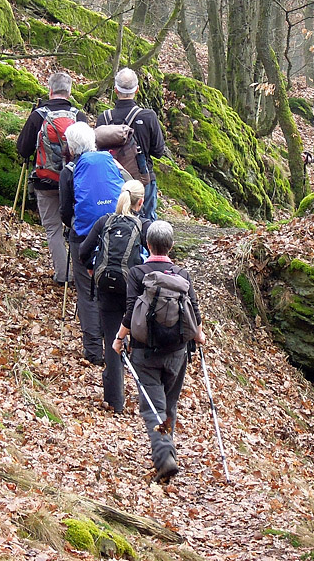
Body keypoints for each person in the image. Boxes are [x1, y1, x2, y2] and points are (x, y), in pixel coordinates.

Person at [112, 220, 205, 483]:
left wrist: (119, 339)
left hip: (145, 352)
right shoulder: (182, 276)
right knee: (169, 404)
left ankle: (164, 456)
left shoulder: (137, 273)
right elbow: (194, 313)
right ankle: (168, 450)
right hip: (177, 352)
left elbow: (131, 311)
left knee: (153, 406)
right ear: (171, 246)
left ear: (147, 245)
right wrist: (198, 335)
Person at [79, 180, 151, 414]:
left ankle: (114, 401)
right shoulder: (144, 226)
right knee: (141, 340)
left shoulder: (104, 222)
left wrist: (92, 268)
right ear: (141, 202)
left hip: (107, 288)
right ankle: (150, 400)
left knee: (113, 341)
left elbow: (83, 251)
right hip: (133, 291)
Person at [59, 122, 128, 365]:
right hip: (113, 234)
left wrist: (74, 227)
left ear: (71, 146)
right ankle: (113, 344)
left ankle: (92, 351)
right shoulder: (109, 161)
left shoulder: (69, 170)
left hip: (83, 238)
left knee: (86, 292)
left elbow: (65, 211)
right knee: (105, 288)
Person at [16, 72, 88, 284]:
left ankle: (62, 276)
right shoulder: (79, 117)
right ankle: (81, 275)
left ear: (50, 90)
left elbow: (22, 149)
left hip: (45, 181)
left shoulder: (39, 115)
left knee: (53, 228)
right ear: (69, 92)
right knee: (77, 226)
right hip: (74, 182)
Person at [96, 67, 165, 221]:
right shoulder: (148, 116)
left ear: (115, 90)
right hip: (142, 180)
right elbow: (159, 151)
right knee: (146, 223)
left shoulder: (103, 119)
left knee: (112, 220)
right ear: (137, 90)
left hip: (111, 180)